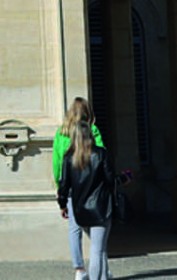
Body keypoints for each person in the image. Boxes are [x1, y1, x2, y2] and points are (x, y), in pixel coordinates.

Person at [54, 96, 116, 280]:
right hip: (94, 190)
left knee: (74, 229)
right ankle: (100, 274)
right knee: (98, 245)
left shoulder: (61, 132)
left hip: (73, 189)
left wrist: (60, 190)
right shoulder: (93, 130)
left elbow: (56, 163)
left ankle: (79, 268)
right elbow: (103, 162)